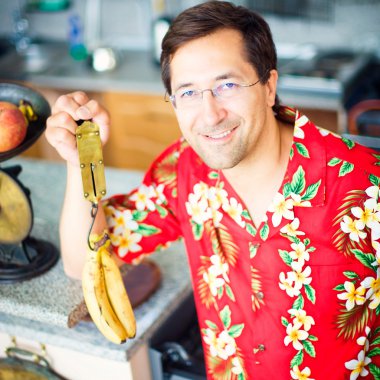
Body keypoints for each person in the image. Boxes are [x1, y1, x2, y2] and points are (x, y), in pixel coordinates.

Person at [46, 1, 380, 379]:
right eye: (188, 93)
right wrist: (80, 160)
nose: (209, 114)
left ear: (269, 86)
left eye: (227, 85)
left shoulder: (366, 188)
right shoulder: (184, 170)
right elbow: (82, 263)